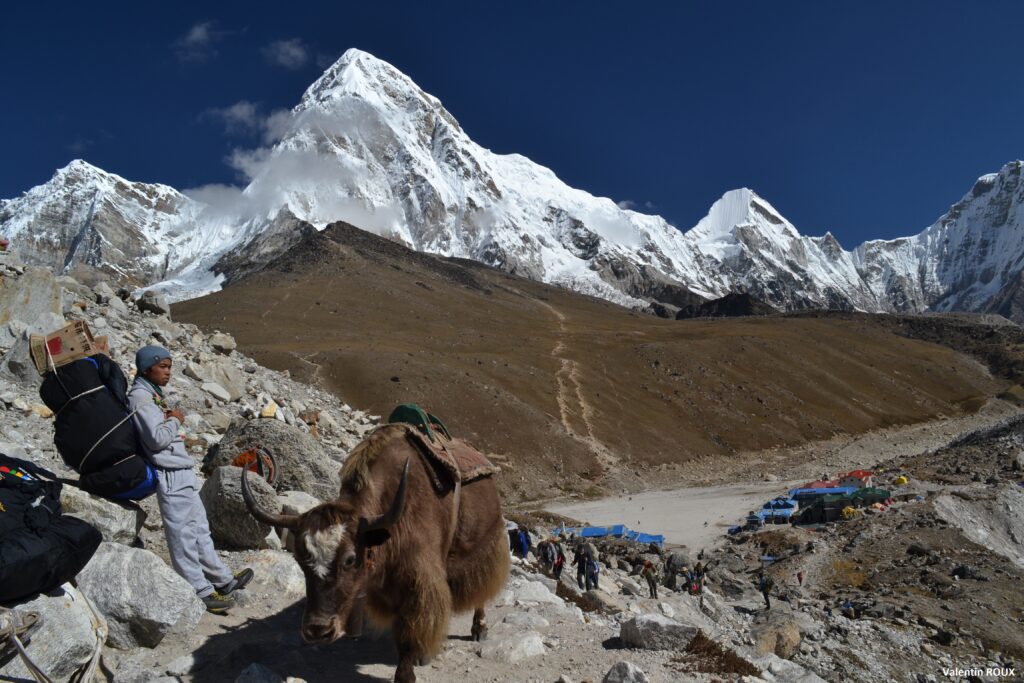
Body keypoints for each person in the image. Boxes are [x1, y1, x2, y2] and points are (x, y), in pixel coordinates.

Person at [129, 345, 252, 613]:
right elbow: (156, 439)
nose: (168, 372)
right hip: (169, 473)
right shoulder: (140, 397)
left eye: (170, 367)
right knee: (182, 534)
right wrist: (176, 420)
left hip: (180, 470)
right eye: (163, 367)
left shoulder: (152, 394)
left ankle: (222, 579)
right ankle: (200, 589)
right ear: (147, 368)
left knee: (198, 528)